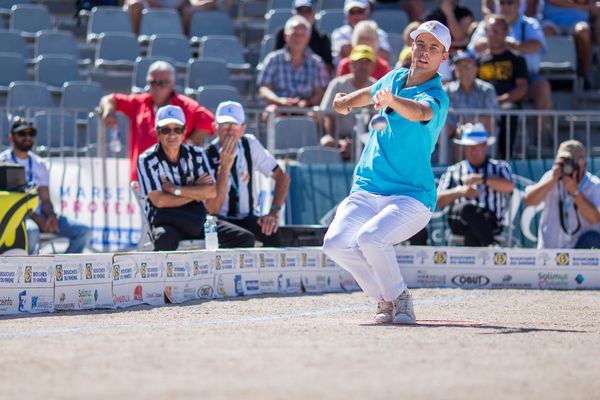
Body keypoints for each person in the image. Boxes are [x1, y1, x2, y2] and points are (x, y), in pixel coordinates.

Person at [323, 21, 451, 324]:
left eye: (433, 48)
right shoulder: (394, 77)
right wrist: (344, 102)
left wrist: (392, 101)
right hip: (367, 188)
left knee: (370, 237)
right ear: (412, 45)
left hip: (412, 197)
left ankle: (400, 297)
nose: (424, 52)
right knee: (335, 243)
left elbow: (419, 113)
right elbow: (370, 92)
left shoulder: (437, 95)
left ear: (443, 57)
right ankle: (384, 299)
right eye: (421, 44)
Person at [137, 105, 254, 251]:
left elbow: (211, 192)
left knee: (244, 238)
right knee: (164, 239)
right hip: (167, 221)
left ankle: (219, 273)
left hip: (197, 220)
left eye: (177, 129)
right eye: (166, 129)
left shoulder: (197, 154)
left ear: (184, 132)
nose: (172, 135)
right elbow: (159, 201)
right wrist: (195, 193)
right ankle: (172, 275)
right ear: (157, 133)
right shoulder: (147, 159)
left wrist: (175, 190)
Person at [99, 60, 215, 182]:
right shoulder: (139, 103)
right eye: (153, 82)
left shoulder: (186, 106)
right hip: (141, 179)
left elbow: (210, 122)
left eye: (162, 83)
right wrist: (109, 111)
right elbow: (108, 99)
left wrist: (190, 140)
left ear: (172, 83)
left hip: (174, 180)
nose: (157, 87)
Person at [205, 101, 291, 247]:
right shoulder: (206, 155)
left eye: (235, 126)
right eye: (225, 126)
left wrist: (273, 213)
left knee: (271, 231)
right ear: (216, 128)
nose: (230, 131)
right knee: (243, 237)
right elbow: (212, 208)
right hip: (219, 219)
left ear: (243, 129)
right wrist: (224, 167)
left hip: (248, 216)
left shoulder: (250, 144)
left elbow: (282, 177)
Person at [0, 117, 92, 254]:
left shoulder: (38, 164)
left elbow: (45, 198)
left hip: (40, 216)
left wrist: (51, 216)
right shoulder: (3, 161)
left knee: (83, 231)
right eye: (22, 134)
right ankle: (28, 273)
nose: (27, 137)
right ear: (11, 137)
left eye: (31, 134)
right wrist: (39, 220)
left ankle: (65, 271)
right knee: (31, 232)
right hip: (14, 216)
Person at [469, 0, 552, 119]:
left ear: (518, 4)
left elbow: (536, 45)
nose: (506, 6)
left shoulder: (529, 24)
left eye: (510, 2)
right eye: (502, 3)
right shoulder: (487, 23)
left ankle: (540, 135)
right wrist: (497, 40)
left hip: (525, 75)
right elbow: (474, 47)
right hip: (491, 74)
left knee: (542, 87)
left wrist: (514, 45)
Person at [436, 122, 514, 246]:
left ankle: (480, 254)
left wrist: (482, 179)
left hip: (490, 220)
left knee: (473, 229)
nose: (472, 151)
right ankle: (490, 246)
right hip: (459, 220)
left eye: (475, 147)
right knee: (467, 209)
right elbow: (438, 200)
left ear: (484, 146)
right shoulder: (454, 170)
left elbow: (509, 187)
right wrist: (460, 191)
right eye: (468, 147)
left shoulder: (500, 167)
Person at [524, 140, 600, 249]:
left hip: (580, 257)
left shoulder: (594, 185)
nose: (567, 166)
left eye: (570, 161)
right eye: (563, 161)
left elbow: (594, 219)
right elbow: (528, 201)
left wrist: (575, 192)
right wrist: (551, 181)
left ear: (583, 164)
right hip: (549, 254)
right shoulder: (551, 177)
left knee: (592, 238)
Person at [476, 14, 528, 159]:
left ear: (506, 33)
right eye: (490, 31)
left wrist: (500, 100)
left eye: (497, 31)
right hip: (482, 105)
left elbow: (522, 87)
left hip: (505, 104)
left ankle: (504, 157)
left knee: (509, 112)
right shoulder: (479, 60)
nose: (493, 35)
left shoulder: (516, 59)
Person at [258, 15, 330, 112]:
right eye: (294, 34)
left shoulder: (317, 62)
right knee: (270, 112)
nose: (298, 38)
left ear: (308, 38)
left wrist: (307, 103)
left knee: (317, 114)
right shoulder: (273, 59)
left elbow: (321, 91)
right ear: (286, 36)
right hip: (279, 107)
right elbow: (264, 89)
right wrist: (279, 101)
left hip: (307, 108)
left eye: (302, 35)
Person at [320, 45, 377, 158]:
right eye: (359, 62)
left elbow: (375, 118)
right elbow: (328, 115)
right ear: (351, 65)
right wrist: (335, 138)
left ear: (372, 67)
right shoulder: (337, 84)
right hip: (337, 138)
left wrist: (359, 141)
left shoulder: (376, 86)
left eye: (367, 62)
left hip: (364, 138)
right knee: (327, 142)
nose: (363, 66)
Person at [444, 50, 499, 146]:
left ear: (476, 69)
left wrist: (465, 124)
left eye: (467, 66)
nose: (464, 70)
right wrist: (459, 129)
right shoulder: (447, 90)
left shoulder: (487, 90)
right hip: (454, 140)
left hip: (482, 140)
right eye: (459, 66)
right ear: (454, 70)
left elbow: (491, 122)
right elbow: (446, 124)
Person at [541, 0, 600, 87]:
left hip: (577, 22)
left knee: (584, 32)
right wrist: (581, 6)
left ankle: (584, 76)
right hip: (552, 22)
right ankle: (546, 77)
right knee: (545, 33)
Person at [274, 0, 334, 73]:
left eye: (308, 11)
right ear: (293, 13)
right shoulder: (282, 33)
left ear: (314, 13)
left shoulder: (321, 38)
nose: (304, 15)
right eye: (300, 11)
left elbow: (328, 68)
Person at [124, 0, 217, 36]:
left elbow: (194, 3)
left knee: (188, 11)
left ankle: (183, 44)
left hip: (177, 10)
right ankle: (134, 43)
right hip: (149, 7)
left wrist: (207, 4)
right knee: (135, 6)